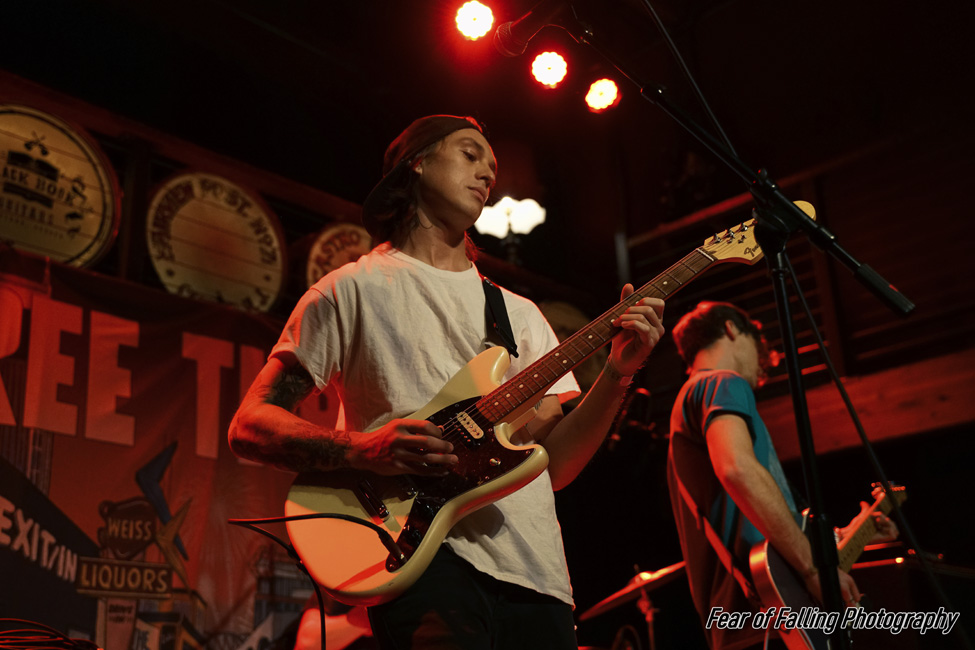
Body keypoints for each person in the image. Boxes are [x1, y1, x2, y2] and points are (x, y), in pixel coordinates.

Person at [228, 114, 666, 649]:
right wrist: (365, 448)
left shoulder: (519, 314)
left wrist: (619, 374)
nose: (487, 173)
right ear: (416, 162)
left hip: (538, 577)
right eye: (469, 153)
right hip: (420, 562)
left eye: (492, 165)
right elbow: (250, 424)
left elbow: (556, 466)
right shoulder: (349, 291)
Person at [665, 301, 898, 650]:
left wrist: (854, 536)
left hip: (745, 623)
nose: (761, 361)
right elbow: (737, 468)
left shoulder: (690, 401)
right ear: (731, 329)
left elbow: (758, 524)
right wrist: (813, 571)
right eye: (756, 344)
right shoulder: (720, 383)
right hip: (771, 621)